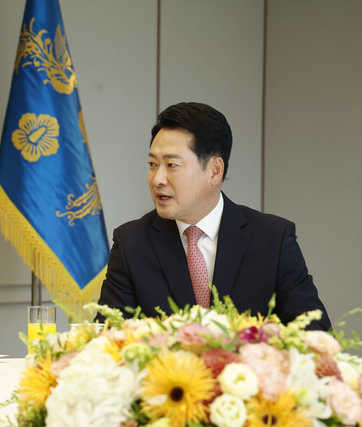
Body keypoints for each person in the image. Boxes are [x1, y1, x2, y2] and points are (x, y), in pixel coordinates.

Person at [97, 101, 331, 330]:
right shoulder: (132, 244)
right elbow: (107, 337)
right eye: (152, 164)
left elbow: (315, 332)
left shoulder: (272, 239)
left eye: (171, 165)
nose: (158, 179)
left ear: (215, 171)